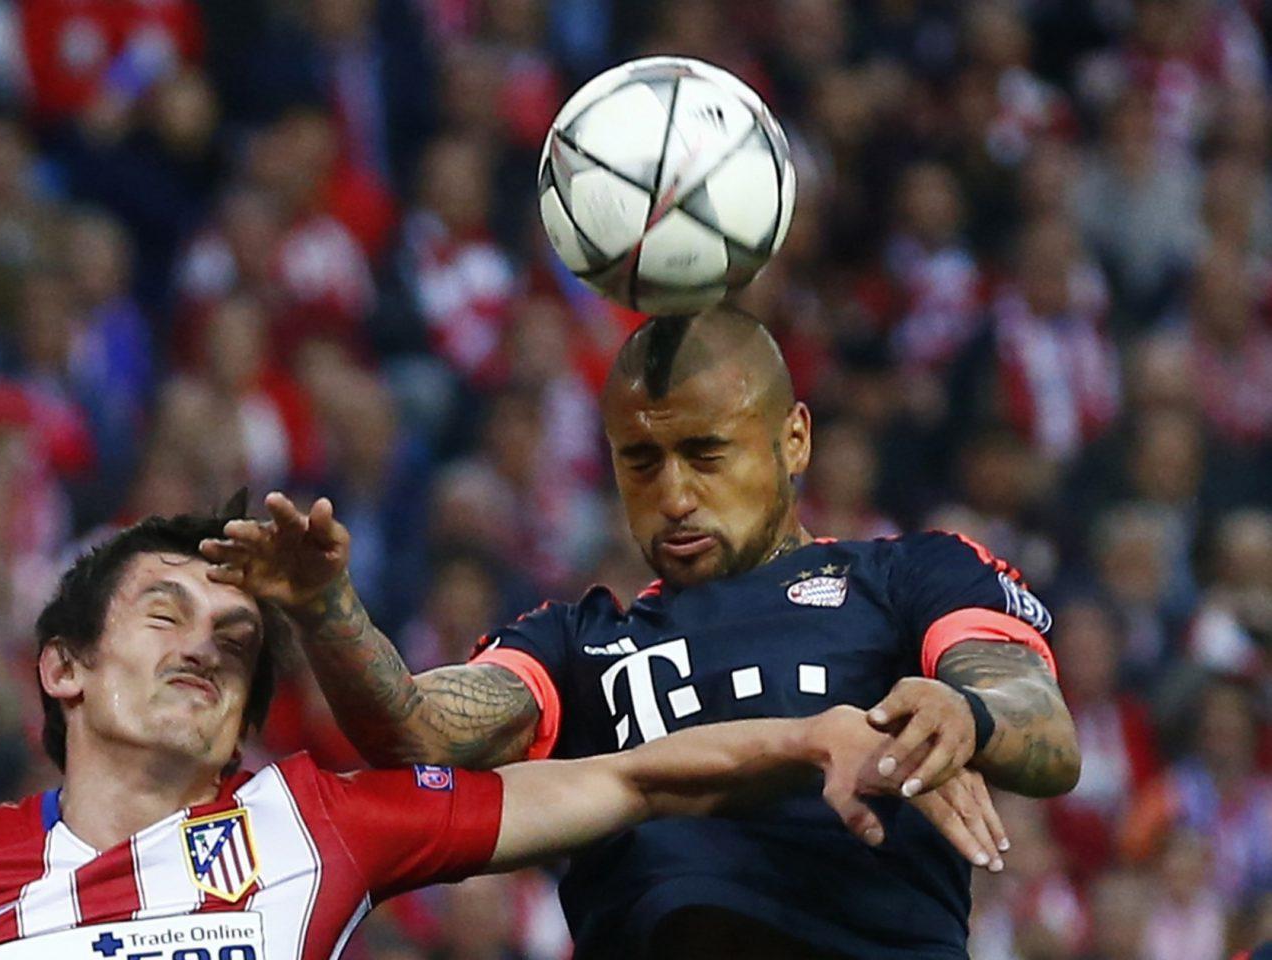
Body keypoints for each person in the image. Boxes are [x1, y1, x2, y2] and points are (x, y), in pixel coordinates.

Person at [202, 307, 1083, 959]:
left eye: (706, 455)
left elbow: (1041, 727)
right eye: (641, 461)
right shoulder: (577, 641)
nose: (673, 494)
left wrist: (967, 714)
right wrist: (325, 607)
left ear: (794, 439)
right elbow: (413, 730)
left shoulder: (908, 578)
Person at [0, 494, 1005, 960]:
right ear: (63, 669)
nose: (203, 647)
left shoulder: (317, 823)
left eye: (236, 641)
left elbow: (630, 783)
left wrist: (812, 738)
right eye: (165, 613)